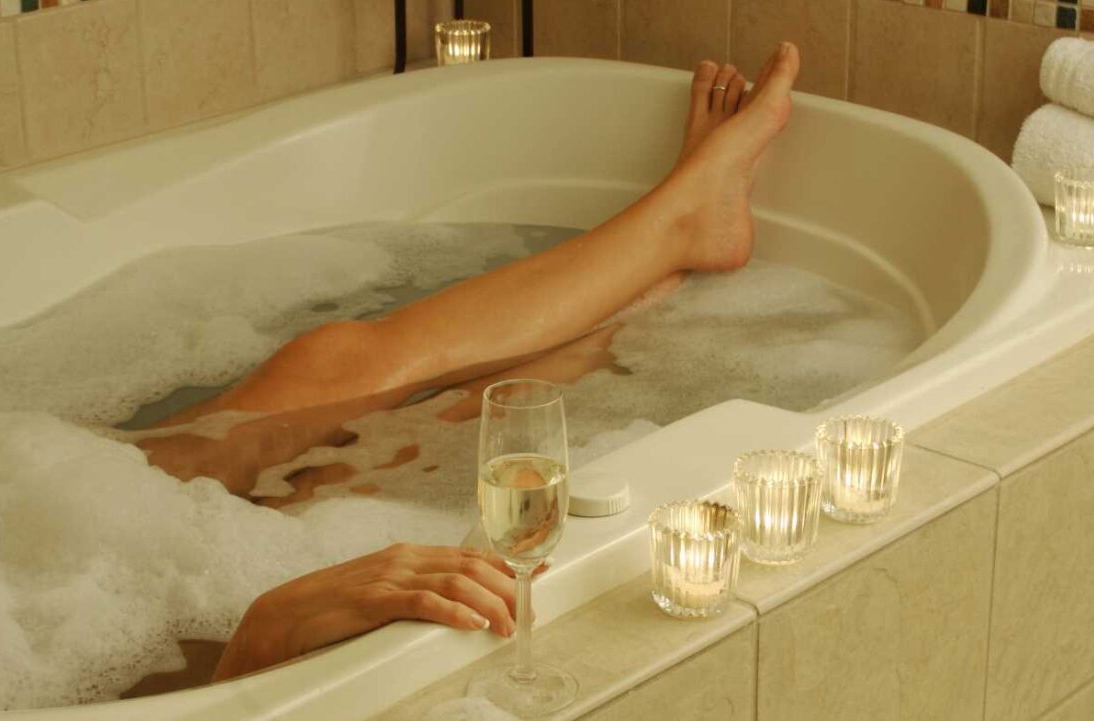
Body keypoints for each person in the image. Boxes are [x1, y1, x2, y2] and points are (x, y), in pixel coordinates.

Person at [168, 42, 803, 682]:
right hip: (136, 613)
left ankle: (676, 236)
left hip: (101, 532)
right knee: (367, 464)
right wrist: (267, 629)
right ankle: (669, 253)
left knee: (321, 367)